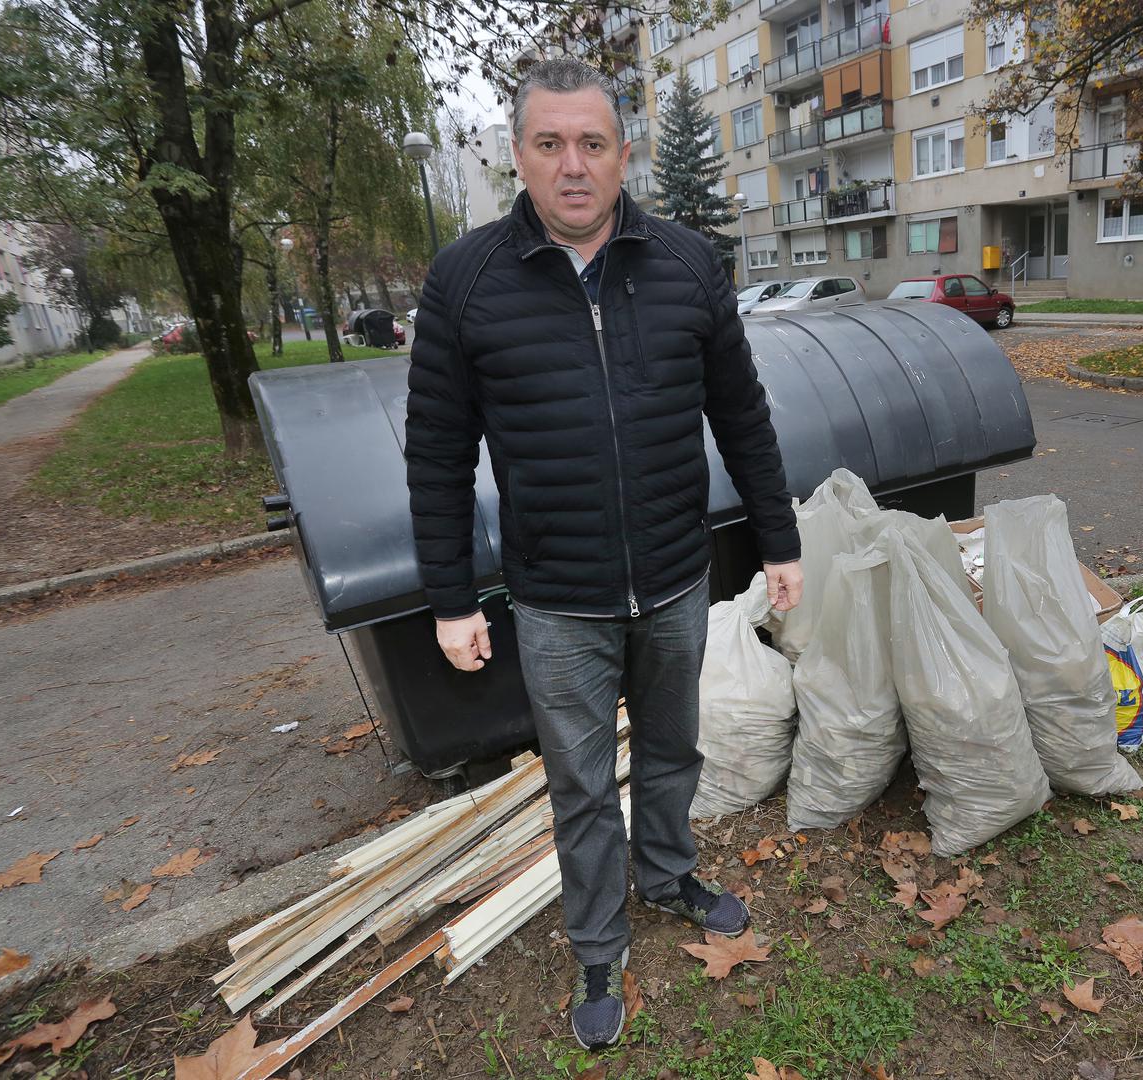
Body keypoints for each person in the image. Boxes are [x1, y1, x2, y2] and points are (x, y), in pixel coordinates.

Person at [404, 58, 803, 1050]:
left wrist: (780, 542)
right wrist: (451, 600)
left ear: (622, 154)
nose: (572, 166)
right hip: (554, 599)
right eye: (550, 144)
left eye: (592, 144)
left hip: (673, 579)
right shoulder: (465, 281)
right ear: (519, 156)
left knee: (672, 750)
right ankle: (596, 939)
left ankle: (667, 876)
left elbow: (742, 417)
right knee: (579, 783)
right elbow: (437, 455)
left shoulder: (684, 264)